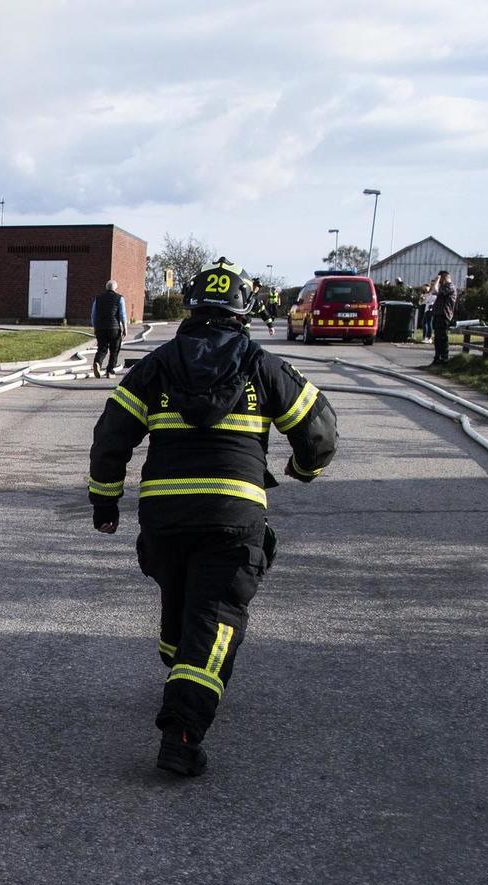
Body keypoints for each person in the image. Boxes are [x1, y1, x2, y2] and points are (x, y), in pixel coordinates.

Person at [86, 258, 339, 776]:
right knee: (216, 617)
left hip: (165, 518)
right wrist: (301, 468)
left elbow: (112, 434)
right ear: (242, 310)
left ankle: (183, 667)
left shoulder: (158, 364)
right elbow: (320, 432)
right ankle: (182, 730)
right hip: (233, 515)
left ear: (193, 306)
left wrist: (105, 503)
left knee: (181, 598)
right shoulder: (261, 365)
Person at [90, 280, 128, 377]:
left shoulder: (97, 298)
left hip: (100, 328)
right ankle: (110, 371)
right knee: (114, 350)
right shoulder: (119, 298)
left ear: (106, 288)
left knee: (102, 348)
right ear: (115, 288)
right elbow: (122, 314)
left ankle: (97, 363)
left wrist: (95, 327)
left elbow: (93, 315)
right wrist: (125, 328)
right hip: (114, 328)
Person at [431, 270, 458, 364]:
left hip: (444, 315)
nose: (440, 282)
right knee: (437, 338)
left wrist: (437, 280)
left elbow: (434, 291)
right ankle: (437, 358)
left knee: (442, 338)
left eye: (441, 279)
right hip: (438, 314)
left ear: (444, 278)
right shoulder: (444, 287)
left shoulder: (450, 286)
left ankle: (444, 358)